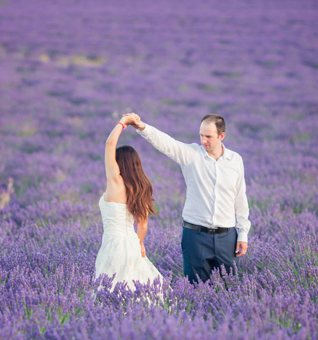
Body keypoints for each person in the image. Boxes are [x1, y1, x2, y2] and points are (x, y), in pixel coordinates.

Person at [131, 113, 250, 284]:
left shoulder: (235, 160)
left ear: (221, 136)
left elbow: (240, 198)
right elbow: (166, 143)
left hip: (227, 237)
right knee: (195, 289)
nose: (203, 141)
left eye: (208, 136)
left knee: (230, 289)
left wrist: (243, 234)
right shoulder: (191, 155)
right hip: (196, 237)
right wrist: (142, 127)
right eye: (201, 135)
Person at [94, 113, 163, 292]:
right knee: (136, 289)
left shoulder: (115, 183)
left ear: (118, 164)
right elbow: (143, 226)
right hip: (132, 244)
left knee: (109, 291)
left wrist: (122, 123)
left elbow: (109, 144)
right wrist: (139, 243)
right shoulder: (139, 189)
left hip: (113, 245)